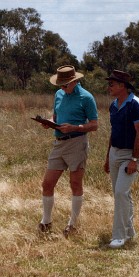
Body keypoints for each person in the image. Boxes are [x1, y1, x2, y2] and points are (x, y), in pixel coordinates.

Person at [38, 65, 98, 238]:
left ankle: (73, 224)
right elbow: (55, 117)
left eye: (65, 85)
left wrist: (75, 127)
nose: (62, 88)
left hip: (77, 143)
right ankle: (46, 222)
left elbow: (94, 125)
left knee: (75, 184)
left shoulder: (86, 98)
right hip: (59, 143)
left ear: (75, 81)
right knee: (47, 184)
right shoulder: (59, 95)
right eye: (60, 85)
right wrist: (48, 122)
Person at [103, 70, 139, 249]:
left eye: (112, 84)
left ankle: (119, 236)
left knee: (121, 192)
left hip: (130, 155)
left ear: (122, 86)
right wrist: (107, 157)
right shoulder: (113, 106)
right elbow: (113, 133)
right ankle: (129, 231)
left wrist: (134, 159)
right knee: (121, 194)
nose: (109, 87)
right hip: (115, 153)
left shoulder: (136, 104)